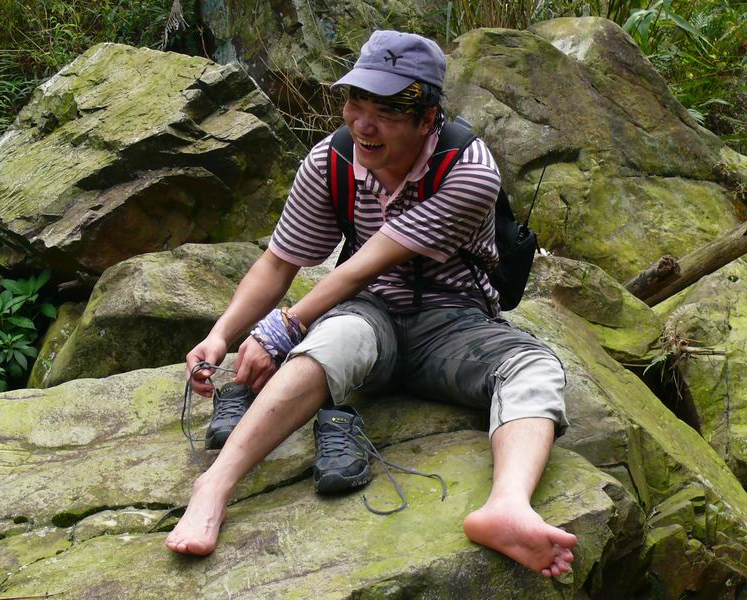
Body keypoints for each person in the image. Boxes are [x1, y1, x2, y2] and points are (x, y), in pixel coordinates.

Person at [165, 30, 577, 577]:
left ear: (427, 119)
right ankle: (213, 486)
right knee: (334, 340)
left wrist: (284, 327)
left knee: (535, 366)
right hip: (369, 313)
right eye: (356, 103)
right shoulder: (330, 161)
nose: (363, 124)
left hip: (454, 322)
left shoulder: (468, 169)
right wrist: (221, 335)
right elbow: (279, 262)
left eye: (385, 112)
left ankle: (508, 506)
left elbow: (370, 261)